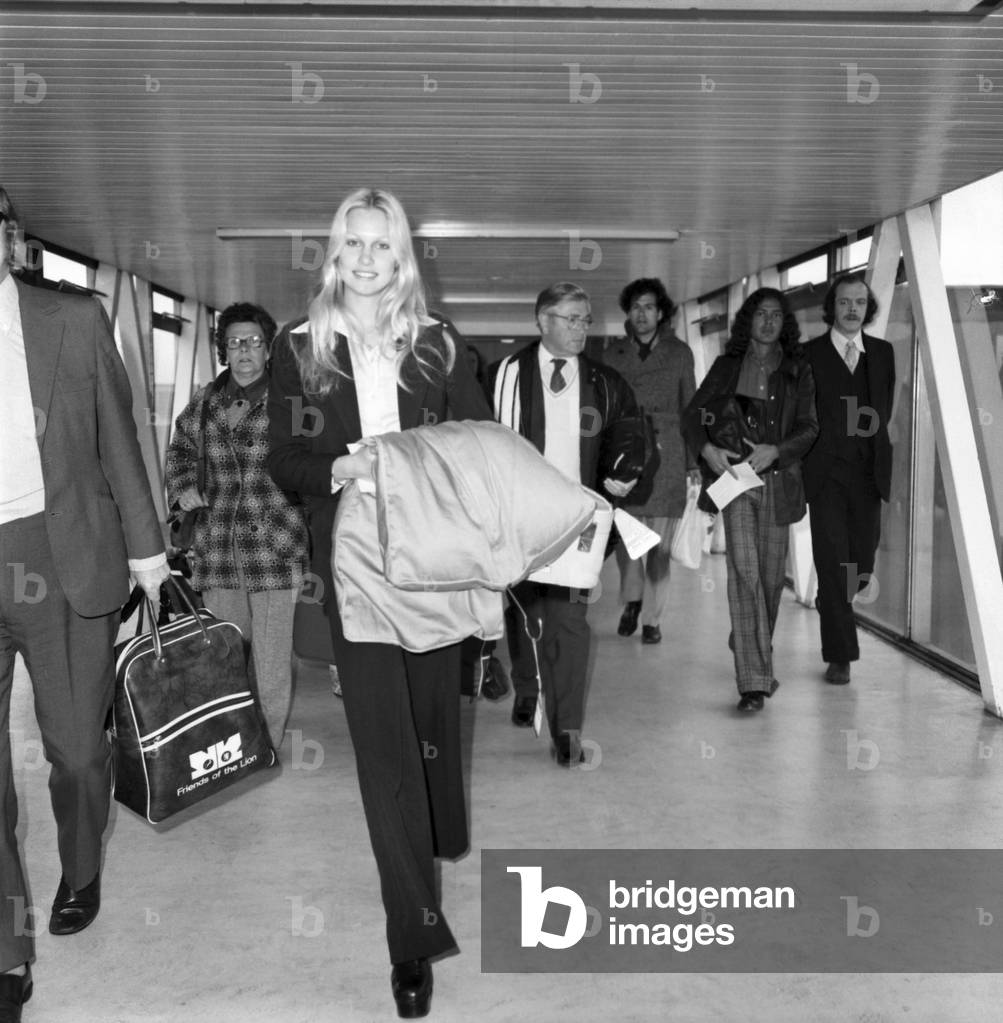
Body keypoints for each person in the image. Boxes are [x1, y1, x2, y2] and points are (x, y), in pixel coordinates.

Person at [266, 187, 491, 1020]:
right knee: (382, 744)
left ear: (403, 256)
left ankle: (440, 830)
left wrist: (424, 464)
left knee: (433, 724)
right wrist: (343, 467)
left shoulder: (436, 344)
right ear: (335, 253)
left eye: (381, 245)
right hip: (355, 563)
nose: (365, 259)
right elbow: (284, 461)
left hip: (431, 561)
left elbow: (475, 442)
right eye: (351, 244)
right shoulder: (301, 347)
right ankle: (413, 933)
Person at [0, 185, 170, 1022]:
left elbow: (117, 436)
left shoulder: (70, 320)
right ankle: (5, 944)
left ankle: (81, 863)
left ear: (7, 239)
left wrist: (147, 551)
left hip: (61, 555)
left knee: (74, 753)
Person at [490, 282, 641, 766]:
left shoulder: (604, 381)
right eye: (571, 318)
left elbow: (631, 431)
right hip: (520, 518)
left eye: (585, 320)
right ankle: (528, 687)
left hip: (580, 518)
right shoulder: (505, 376)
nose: (580, 328)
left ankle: (567, 729)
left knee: (570, 622)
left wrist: (624, 471)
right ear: (542, 321)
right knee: (523, 612)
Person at [165, 301, 308, 749]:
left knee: (270, 656)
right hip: (218, 548)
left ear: (268, 350)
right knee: (226, 653)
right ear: (224, 350)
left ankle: (263, 743)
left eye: (253, 342)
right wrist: (183, 488)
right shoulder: (202, 407)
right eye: (234, 342)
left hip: (275, 547)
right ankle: (230, 742)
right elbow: (179, 454)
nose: (244, 350)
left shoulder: (292, 402)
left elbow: (312, 462)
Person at [682, 288, 817, 712]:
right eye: (761, 314)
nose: (769, 321)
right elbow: (693, 416)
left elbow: (810, 427)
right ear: (748, 321)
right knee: (745, 572)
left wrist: (776, 450)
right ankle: (753, 683)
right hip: (736, 481)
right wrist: (707, 450)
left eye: (777, 315)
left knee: (772, 580)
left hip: (778, 481)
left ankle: (747, 635)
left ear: (785, 323)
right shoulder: (726, 367)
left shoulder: (798, 369)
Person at [802, 273, 895, 685]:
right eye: (844, 302)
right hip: (824, 477)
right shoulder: (808, 355)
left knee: (862, 560)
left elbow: (884, 409)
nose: (852, 309)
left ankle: (832, 599)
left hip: (867, 474)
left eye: (859, 302)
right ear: (832, 307)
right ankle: (840, 655)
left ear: (867, 308)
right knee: (833, 562)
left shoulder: (883, 353)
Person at [603, 277, 697, 645]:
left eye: (649, 307)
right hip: (627, 452)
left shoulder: (680, 353)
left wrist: (692, 462)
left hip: (669, 452)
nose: (642, 314)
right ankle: (632, 600)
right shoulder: (613, 355)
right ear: (628, 312)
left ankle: (653, 619)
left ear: (661, 313)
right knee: (629, 541)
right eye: (635, 307)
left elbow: (691, 407)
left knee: (659, 547)